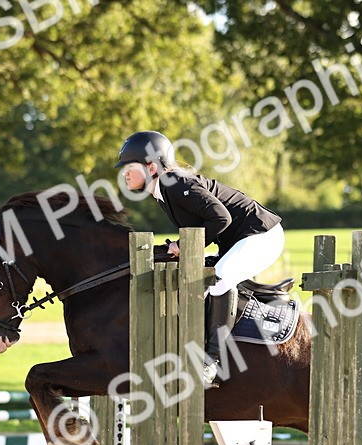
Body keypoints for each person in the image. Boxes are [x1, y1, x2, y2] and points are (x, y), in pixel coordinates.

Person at [116, 130, 284, 388]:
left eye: (130, 166)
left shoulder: (174, 183)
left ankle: (210, 363)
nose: (124, 173)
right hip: (242, 238)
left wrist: (184, 246)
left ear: (151, 167)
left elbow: (221, 218)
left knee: (218, 280)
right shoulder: (164, 190)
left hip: (262, 235)